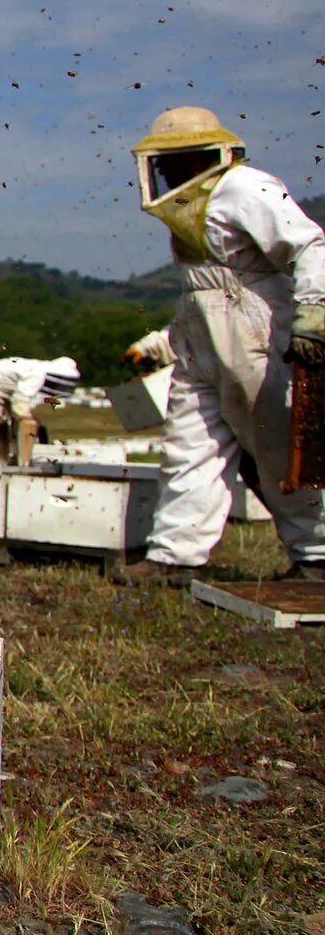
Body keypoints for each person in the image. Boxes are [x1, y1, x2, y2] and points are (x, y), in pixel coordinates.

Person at [111, 106, 325, 586]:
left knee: (276, 449)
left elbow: (312, 246)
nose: (162, 170)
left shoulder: (245, 187)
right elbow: (203, 297)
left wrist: (314, 312)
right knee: (189, 448)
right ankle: (174, 557)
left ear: (199, 154)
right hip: (201, 346)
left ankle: (317, 556)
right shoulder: (194, 210)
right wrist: (159, 347)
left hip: (257, 338)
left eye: (170, 158)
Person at [0, 355, 79, 466]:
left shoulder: (36, 370)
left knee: (12, 425)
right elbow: (20, 401)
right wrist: (27, 418)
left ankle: (10, 461)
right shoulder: (36, 375)